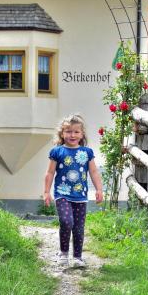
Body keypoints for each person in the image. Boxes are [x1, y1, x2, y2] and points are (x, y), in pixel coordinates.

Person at [43, 114, 103, 268]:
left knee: (78, 227)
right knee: (66, 221)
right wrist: (46, 191)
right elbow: (50, 173)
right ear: (62, 134)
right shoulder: (57, 152)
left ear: (82, 134)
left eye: (76, 132)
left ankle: (77, 257)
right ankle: (63, 254)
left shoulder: (87, 152)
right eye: (68, 131)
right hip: (62, 194)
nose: (72, 135)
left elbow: (94, 172)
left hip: (80, 196)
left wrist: (99, 189)